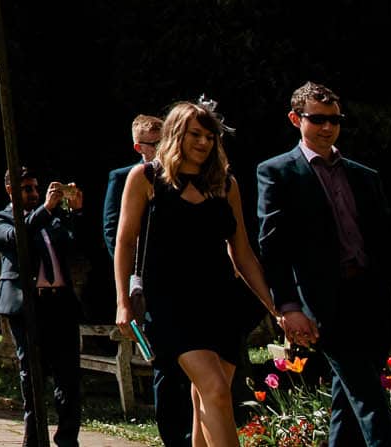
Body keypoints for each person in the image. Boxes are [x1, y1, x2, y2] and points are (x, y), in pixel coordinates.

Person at [116, 101, 283, 447]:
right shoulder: (146, 178)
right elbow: (125, 241)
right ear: (177, 132)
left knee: (205, 397)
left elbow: (242, 252)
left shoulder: (226, 185)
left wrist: (274, 306)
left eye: (210, 136)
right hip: (171, 305)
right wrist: (122, 302)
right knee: (217, 392)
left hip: (222, 303)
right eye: (196, 134)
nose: (204, 142)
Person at [255, 83, 391, 447]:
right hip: (327, 305)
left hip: (374, 300)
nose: (327, 127)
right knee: (372, 403)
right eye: (317, 119)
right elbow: (273, 245)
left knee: (347, 404)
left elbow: (383, 243)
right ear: (295, 118)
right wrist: (287, 305)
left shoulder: (365, 176)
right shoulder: (277, 172)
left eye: (334, 119)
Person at [104, 113, 192, 447]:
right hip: (147, 279)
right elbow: (116, 235)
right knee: (166, 363)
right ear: (139, 146)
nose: (162, 146)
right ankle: (175, 436)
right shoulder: (126, 178)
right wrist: (128, 282)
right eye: (154, 143)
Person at [0, 167, 87, 447]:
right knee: (32, 375)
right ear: (10, 190)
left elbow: (73, 245)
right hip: (28, 306)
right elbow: (13, 239)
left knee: (68, 376)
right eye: (26, 189)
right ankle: (34, 440)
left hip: (61, 304)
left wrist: (75, 212)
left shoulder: (53, 219)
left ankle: (68, 439)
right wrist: (45, 208)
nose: (33, 194)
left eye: (35, 188)